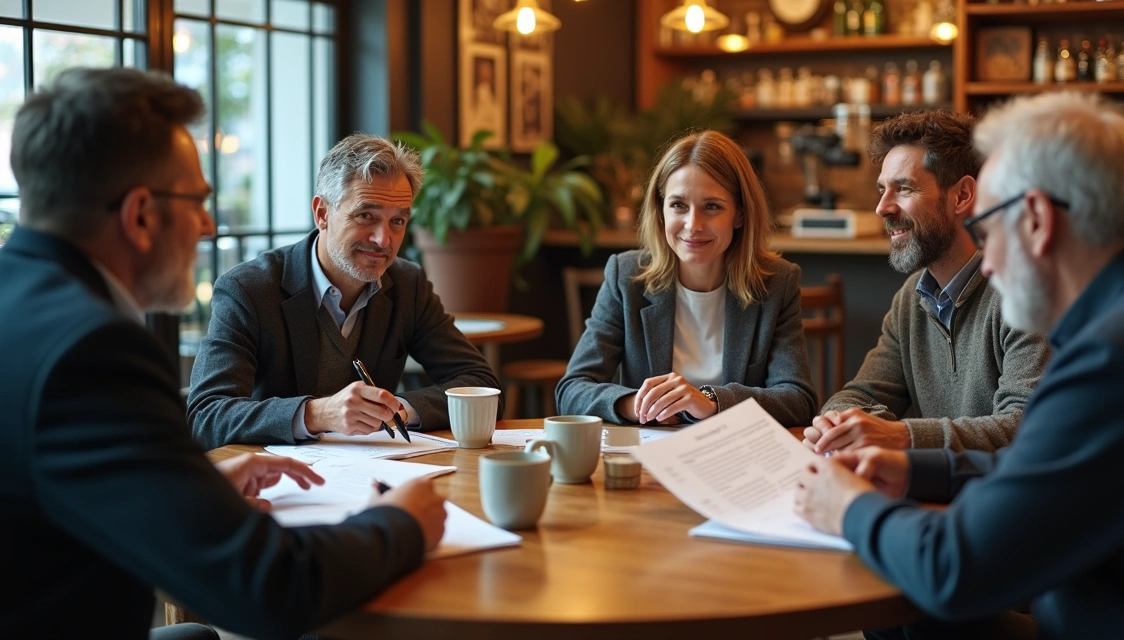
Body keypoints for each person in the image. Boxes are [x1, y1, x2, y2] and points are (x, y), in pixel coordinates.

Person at [0, 67, 447, 639]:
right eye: (198, 201)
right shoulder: (92, 351)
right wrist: (400, 524)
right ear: (140, 215)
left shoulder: (27, 308)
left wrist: (186, 494)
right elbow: (268, 588)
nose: (209, 226)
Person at [794, 91, 1124, 639]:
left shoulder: (1119, 355)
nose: (986, 262)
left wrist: (847, 507)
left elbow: (955, 570)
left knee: (917, 605)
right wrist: (917, 467)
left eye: (990, 231)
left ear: (1037, 219)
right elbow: (1056, 469)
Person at [188, 133, 501, 449]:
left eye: (397, 221)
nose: (383, 239)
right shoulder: (249, 290)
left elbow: (481, 385)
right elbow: (206, 415)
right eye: (366, 215)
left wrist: (397, 411)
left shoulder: (408, 285)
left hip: (375, 475)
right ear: (322, 213)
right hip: (275, 481)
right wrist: (317, 413)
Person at [804, 110, 1048, 454]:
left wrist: (898, 436)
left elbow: (1026, 424)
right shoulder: (912, 298)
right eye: (882, 190)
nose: (882, 208)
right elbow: (859, 394)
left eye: (903, 188)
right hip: (934, 491)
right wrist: (839, 423)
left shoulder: (1023, 293)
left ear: (962, 196)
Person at [557, 130, 817, 427]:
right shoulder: (627, 277)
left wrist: (711, 402)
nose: (693, 225)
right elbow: (571, 389)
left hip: (734, 455)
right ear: (661, 210)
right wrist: (639, 405)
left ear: (740, 215)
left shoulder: (777, 283)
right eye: (678, 205)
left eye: (712, 206)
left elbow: (798, 400)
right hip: (650, 454)